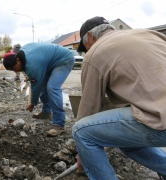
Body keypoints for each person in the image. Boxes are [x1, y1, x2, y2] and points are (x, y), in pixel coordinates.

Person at [72, 16, 166, 179]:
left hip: (162, 119)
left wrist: (83, 151)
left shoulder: (95, 53)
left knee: (81, 132)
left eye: (85, 45)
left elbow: (88, 108)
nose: (86, 50)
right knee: (125, 140)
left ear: (91, 37)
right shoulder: (148, 35)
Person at [3, 42, 74, 136]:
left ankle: (59, 124)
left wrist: (32, 103)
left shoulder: (32, 65)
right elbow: (37, 81)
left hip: (64, 59)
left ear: (18, 60)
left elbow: (36, 88)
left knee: (52, 87)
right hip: (48, 62)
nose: (15, 71)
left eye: (15, 68)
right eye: (12, 70)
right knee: (44, 86)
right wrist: (33, 77)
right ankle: (46, 112)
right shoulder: (22, 56)